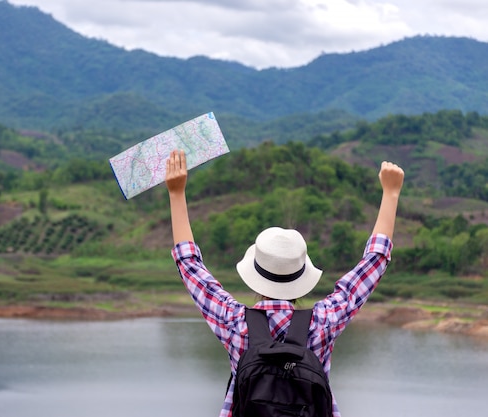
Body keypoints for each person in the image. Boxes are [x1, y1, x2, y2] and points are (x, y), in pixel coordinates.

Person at [165, 149, 405, 417]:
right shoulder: (323, 321)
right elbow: (375, 261)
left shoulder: (234, 322)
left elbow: (190, 265)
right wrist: (390, 194)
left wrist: (176, 193)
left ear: (254, 276)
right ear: (302, 276)